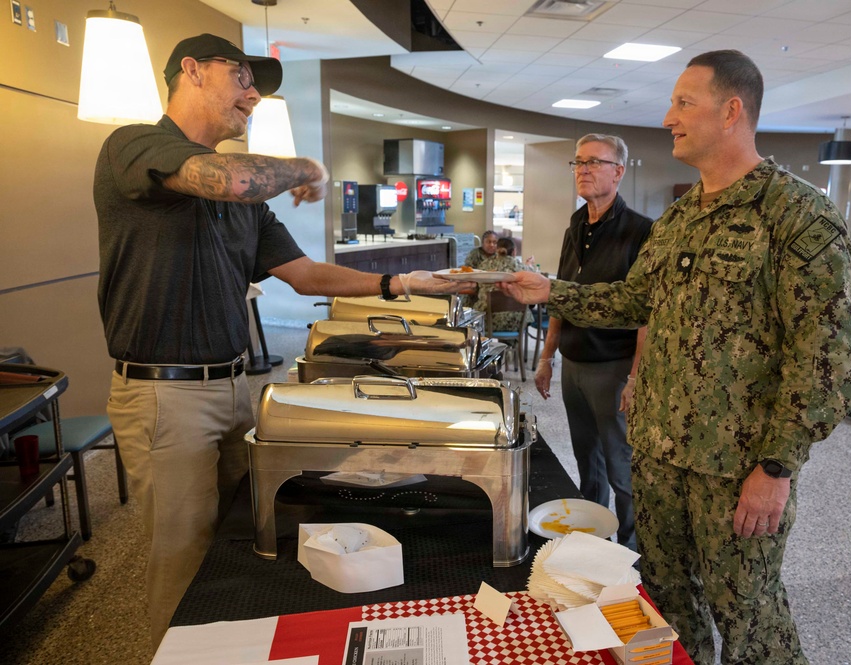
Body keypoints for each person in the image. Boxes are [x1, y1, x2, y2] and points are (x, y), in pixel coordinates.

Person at [93, 33, 471, 646]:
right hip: (167, 397)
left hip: (241, 386)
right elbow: (227, 179)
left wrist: (400, 282)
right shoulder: (134, 145)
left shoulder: (245, 202)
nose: (253, 97)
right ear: (190, 70)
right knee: (180, 551)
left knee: (241, 535)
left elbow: (303, 275)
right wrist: (307, 168)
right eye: (242, 77)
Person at [501, 50, 851, 664]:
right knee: (666, 599)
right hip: (661, 453)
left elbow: (826, 360)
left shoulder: (797, 214)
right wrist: (550, 291)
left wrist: (776, 469)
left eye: (683, 103)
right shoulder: (679, 221)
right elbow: (637, 300)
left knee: (747, 614)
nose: (668, 116)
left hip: (737, 466)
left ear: (732, 110)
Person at [534, 133, 652, 551]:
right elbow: (561, 293)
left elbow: (647, 312)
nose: (582, 170)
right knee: (588, 462)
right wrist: (547, 356)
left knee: (622, 468)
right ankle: (594, 544)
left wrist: (637, 377)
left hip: (615, 367)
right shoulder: (576, 224)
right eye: (578, 162)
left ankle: (632, 553)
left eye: (594, 162)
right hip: (574, 364)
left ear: (618, 171)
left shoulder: (642, 230)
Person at [474, 237, 533, 331]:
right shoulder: (521, 267)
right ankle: (513, 345)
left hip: (487, 320)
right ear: (514, 251)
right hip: (517, 321)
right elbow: (533, 276)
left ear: (496, 250)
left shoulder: (484, 265)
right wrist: (529, 265)